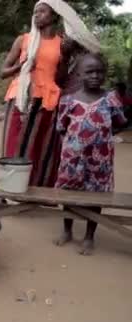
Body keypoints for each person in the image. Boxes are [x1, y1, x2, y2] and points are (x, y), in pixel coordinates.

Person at [1, 0, 100, 187]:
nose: (37, 15)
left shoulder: (62, 43)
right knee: (14, 144)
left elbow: (60, 78)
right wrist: (20, 66)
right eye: (35, 12)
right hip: (21, 99)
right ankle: (10, 187)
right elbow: (2, 72)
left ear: (54, 15)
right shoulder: (23, 40)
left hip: (48, 100)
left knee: (40, 148)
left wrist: (65, 57)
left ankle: (36, 189)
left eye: (42, 11)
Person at [54, 54, 127, 255]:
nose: (95, 75)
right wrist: (73, 147)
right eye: (89, 71)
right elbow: (62, 127)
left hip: (100, 161)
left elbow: (120, 123)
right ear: (79, 74)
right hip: (72, 159)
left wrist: (102, 138)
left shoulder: (111, 99)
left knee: (96, 196)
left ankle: (89, 236)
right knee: (68, 193)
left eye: (99, 71)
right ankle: (67, 230)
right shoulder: (68, 100)